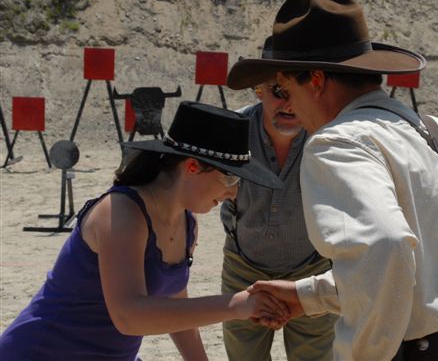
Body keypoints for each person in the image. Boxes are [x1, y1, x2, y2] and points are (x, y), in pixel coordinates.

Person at [226, 0, 438, 361]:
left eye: (285, 88)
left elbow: (386, 251)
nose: (287, 104)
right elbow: (431, 273)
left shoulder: (337, 143)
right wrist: (310, 296)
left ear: (317, 80)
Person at [0, 101, 289, 361]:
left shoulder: (186, 223)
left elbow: (175, 299)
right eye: (230, 178)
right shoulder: (121, 213)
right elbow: (128, 316)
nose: (234, 193)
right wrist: (235, 306)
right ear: (191, 166)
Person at [219, 38, 337, 361]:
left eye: (295, 93)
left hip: (311, 269)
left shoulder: (327, 137)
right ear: (259, 90)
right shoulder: (233, 130)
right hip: (244, 269)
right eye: (277, 92)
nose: (288, 105)